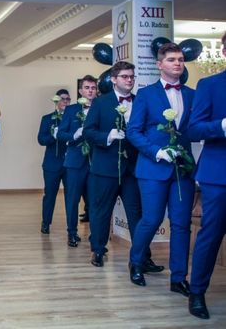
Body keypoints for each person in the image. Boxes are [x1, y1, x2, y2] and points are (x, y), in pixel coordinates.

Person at [127, 43, 195, 295]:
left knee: (181, 224)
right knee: (151, 219)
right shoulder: (146, 94)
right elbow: (133, 131)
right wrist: (157, 152)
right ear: (159, 65)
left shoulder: (192, 94)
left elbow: (194, 129)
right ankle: (136, 262)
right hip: (152, 169)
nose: (177, 63)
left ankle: (178, 277)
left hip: (183, 170)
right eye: (171, 59)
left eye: (180, 59)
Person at [83, 61, 162, 272]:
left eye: (132, 77)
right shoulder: (100, 103)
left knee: (137, 215)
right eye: (125, 76)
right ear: (114, 79)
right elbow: (88, 132)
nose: (129, 80)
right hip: (105, 168)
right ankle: (98, 250)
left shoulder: (140, 100)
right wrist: (107, 136)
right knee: (101, 212)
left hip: (132, 169)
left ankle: (142, 258)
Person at [186, 32, 226, 320]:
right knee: (211, 235)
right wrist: (222, 126)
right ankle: (197, 292)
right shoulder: (209, 85)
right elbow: (193, 129)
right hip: (218, 174)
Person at [57, 75, 97, 247]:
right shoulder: (71, 110)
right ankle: (72, 233)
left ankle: (96, 235)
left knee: (95, 201)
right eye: (87, 88)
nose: (90, 91)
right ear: (80, 91)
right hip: (74, 162)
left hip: (96, 162)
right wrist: (74, 135)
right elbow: (60, 134)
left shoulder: (101, 108)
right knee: (72, 200)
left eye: (93, 88)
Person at [37, 89, 71, 234]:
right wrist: (54, 136)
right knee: (50, 195)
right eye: (63, 99)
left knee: (71, 197)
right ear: (57, 101)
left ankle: (71, 228)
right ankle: (46, 223)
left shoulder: (74, 118)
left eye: (68, 99)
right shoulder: (47, 119)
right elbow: (41, 140)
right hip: (52, 164)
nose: (65, 102)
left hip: (70, 164)